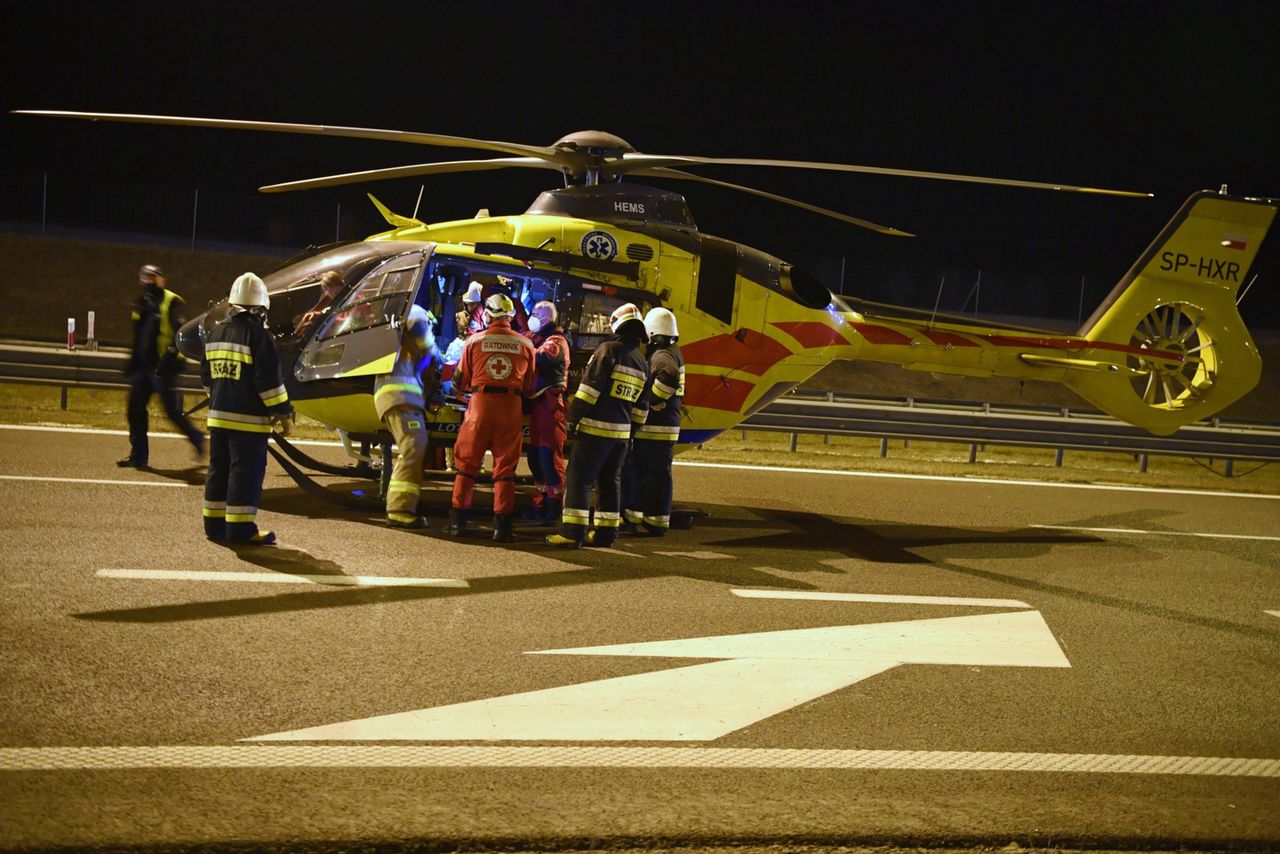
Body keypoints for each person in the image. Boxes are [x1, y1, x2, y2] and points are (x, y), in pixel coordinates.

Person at [201, 273, 294, 546]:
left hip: (218, 418)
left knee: (219, 471)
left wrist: (221, 399)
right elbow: (268, 382)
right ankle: (241, 530)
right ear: (260, 308)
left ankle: (214, 526)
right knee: (245, 474)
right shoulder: (258, 336)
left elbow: (207, 378)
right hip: (249, 423)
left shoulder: (216, 332)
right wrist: (282, 412)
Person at [547, 303, 649, 549]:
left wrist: (572, 419)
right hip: (621, 436)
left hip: (594, 431)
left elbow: (588, 391)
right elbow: (641, 409)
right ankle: (605, 535)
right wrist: (629, 432)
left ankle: (572, 533)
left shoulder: (608, 351)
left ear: (616, 325)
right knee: (609, 483)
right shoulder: (641, 362)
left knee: (579, 479)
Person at [446, 292, 535, 542]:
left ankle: (457, 522)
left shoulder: (474, 341)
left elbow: (459, 381)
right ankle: (502, 527)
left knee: (466, 465)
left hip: (480, 407)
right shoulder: (526, 344)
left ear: (487, 314)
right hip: (511, 407)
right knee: (505, 468)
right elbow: (529, 385)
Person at [118, 264, 205, 467]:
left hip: (164, 367)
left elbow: (180, 335)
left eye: (152, 276)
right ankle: (139, 456)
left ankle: (197, 438)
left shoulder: (172, 301)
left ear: (161, 279)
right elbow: (138, 337)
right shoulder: (140, 303)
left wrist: (168, 361)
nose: (148, 280)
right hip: (144, 368)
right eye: (144, 276)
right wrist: (132, 362)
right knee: (135, 409)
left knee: (171, 412)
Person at [374, 305, 441, 529]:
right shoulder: (417, 314)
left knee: (414, 447)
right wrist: (433, 353)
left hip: (396, 395)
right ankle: (400, 509)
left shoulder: (399, 319)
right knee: (414, 447)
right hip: (401, 395)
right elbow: (430, 350)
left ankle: (403, 506)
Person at [622, 307, 685, 536]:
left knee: (654, 476)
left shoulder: (663, 356)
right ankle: (638, 517)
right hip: (658, 429)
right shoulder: (672, 351)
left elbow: (667, 378)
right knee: (645, 474)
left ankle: (655, 522)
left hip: (656, 429)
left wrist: (648, 400)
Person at [525, 300, 570, 525]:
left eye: (534, 314)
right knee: (535, 457)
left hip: (551, 407)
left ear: (545, 318)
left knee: (549, 458)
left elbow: (541, 358)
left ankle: (554, 507)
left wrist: (522, 347)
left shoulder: (556, 341)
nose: (531, 317)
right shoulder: (538, 338)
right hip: (538, 407)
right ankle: (541, 502)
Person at [293, 270, 346, 337]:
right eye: (326, 289)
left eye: (328, 288)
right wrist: (316, 315)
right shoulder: (338, 301)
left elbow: (344, 321)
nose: (329, 292)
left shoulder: (353, 298)